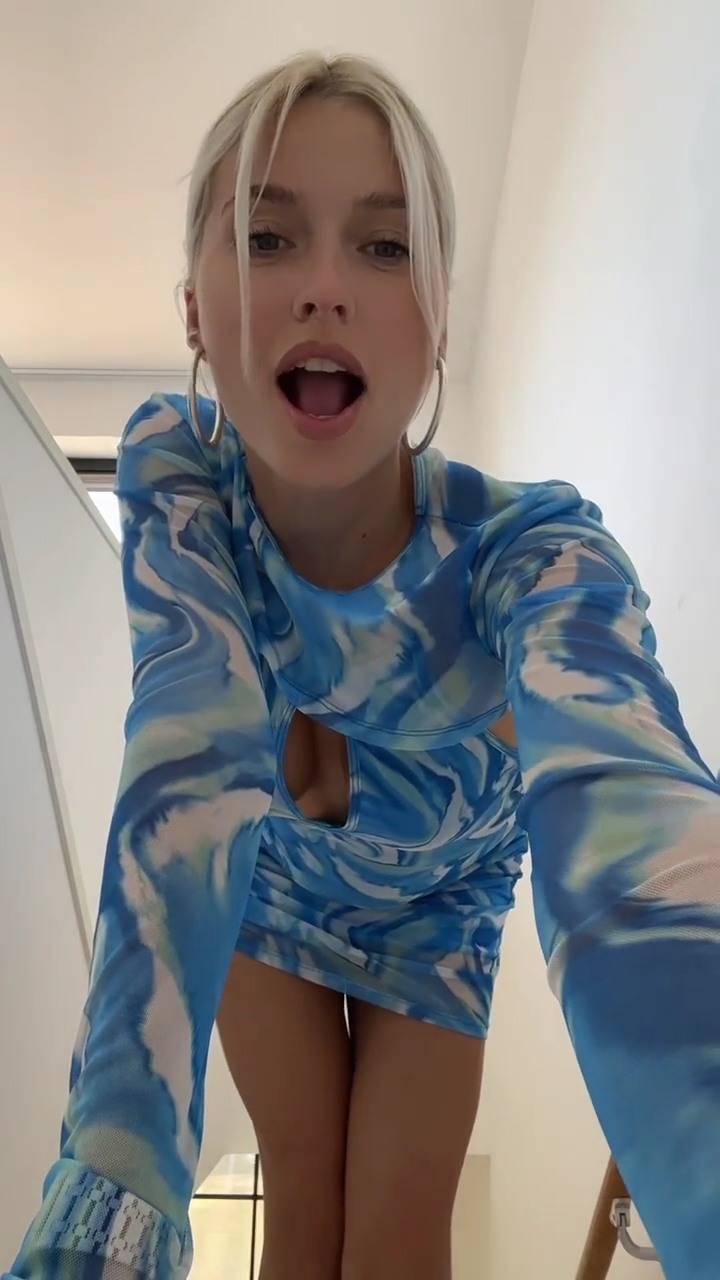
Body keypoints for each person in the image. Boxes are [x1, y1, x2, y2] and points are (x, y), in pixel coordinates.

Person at [5, 50, 720, 1280]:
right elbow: (187, 749)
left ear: (438, 316)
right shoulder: (180, 476)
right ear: (194, 308)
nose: (325, 288)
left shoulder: (533, 552)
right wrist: (109, 1187)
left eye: (385, 247)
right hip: (268, 886)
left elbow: (633, 828)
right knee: (302, 1211)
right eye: (267, 238)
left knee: (394, 1240)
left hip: (440, 910)